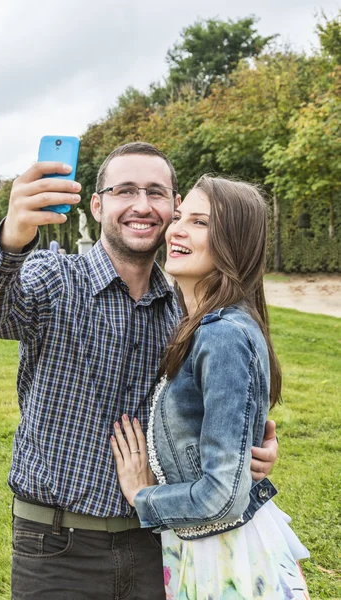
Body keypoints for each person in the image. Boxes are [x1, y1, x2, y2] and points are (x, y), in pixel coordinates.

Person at [0, 143, 278, 600]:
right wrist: (12, 235)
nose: (142, 206)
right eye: (125, 190)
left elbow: (212, 415)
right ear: (97, 204)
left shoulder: (189, 315)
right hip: (56, 546)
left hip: (159, 542)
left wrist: (249, 445)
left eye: (156, 192)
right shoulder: (55, 278)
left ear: (173, 206)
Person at [111, 175, 310, 599]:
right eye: (180, 216)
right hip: (204, 548)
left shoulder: (223, 334)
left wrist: (143, 496)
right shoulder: (203, 325)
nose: (175, 229)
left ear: (233, 244)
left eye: (200, 223)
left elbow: (223, 496)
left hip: (226, 554)